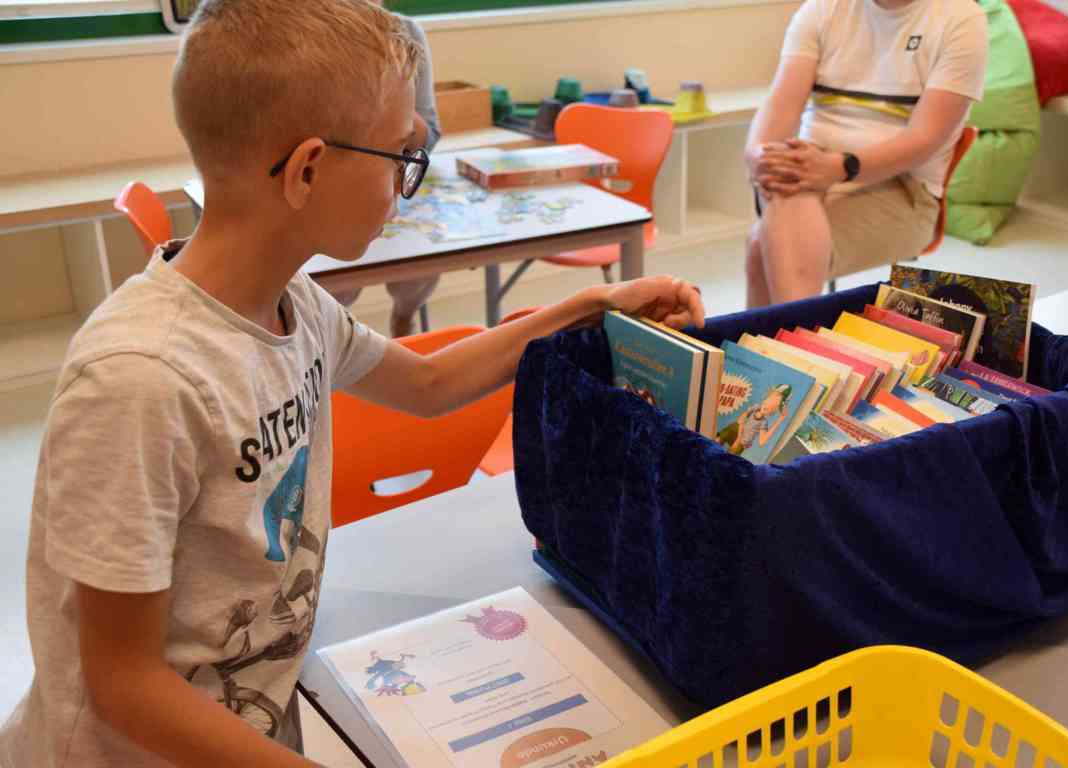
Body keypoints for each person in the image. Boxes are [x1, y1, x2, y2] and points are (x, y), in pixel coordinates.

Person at [0, 1, 703, 765]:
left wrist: (592, 306)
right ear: (308, 169)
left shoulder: (293, 303)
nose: (407, 182)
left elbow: (428, 384)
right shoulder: (139, 382)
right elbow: (124, 685)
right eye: (401, 155)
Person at [744, 0, 988, 307]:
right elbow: (779, 105)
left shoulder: (961, 19)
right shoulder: (822, 10)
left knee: (764, 244)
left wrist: (839, 168)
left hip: (905, 189)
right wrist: (760, 155)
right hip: (812, 163)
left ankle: (792, 332)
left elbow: (925, 139)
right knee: (789, 191)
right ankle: (798, 332)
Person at [331, 12, 443, 338]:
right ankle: (335, 335)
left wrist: (391, 98)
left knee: (419, 261)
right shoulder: (309, 39)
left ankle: (403, 318)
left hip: (389, 181)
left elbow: (429, 134)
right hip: (337, 189)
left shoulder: (406, 32)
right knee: (336, 287)